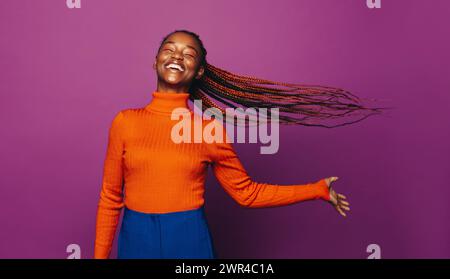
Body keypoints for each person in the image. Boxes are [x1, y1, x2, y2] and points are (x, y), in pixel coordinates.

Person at [94, 29, 380, 259]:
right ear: (155, 60)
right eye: (169, 49)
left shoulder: (208, 130)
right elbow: (110, 198)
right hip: (136, 239)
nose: (177, 56)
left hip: (189, 239)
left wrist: (315, 190)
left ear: (199, 72)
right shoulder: (125, 121)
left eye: (188, 54)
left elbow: (247, 193)